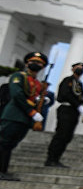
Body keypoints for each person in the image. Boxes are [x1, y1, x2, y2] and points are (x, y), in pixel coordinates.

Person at [0, 52, 48, 181]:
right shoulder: (18, 76)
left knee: (10, 145)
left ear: (43, 67)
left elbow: (35, 100)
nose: (36, 64)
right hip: (14, 115)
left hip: (24, 119)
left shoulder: (38, 83)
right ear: (27, 63)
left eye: (39, 63)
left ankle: (3, 171)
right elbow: (17, 95)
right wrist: (31, 112)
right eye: (33, 61)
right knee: (3, 143)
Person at [45, 62, 83, 167]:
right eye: (78, 67)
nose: (80, 69)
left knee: (67, 136)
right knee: (61, 134)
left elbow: (78, 96)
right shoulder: (67, 80)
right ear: (73, 68)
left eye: (82, 67)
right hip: (66, 109)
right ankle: (51, 158)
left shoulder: (80, 84)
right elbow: (65, 95)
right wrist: (78, 105)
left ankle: (57, 159)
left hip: (74, 111)